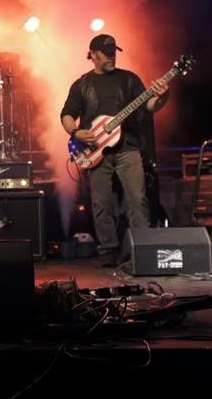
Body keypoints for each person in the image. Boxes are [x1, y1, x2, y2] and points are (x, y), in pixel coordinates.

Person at [60, 34, 169, 267]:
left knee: (138, 199)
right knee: (102, 204)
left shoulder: (129, 79)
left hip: (128, 148)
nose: (112, 57)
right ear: (93, 55)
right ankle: (108, 252)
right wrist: (76, 132)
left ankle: (142, 249)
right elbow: (67, 114)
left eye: (113, 52)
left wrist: (163, 96)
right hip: (95, 151)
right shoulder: (82, 84)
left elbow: (149, 105)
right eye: (107, 53)